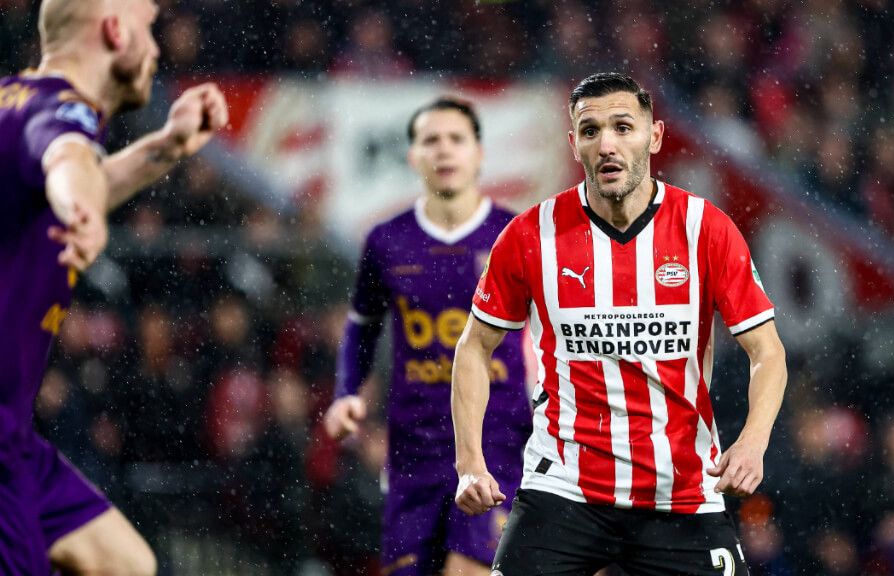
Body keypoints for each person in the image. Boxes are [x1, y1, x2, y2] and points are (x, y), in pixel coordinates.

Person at [452, 72, 788, 576]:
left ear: (653, 137)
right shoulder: (529, 236)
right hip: (564, 488)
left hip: (681, 490)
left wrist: (753, 442)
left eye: (623, 127)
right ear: (574, 144)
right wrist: (468, 463)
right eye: (590, 131)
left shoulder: (706, 230)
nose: (607, 144)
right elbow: (475, 348)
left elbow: (768, 352)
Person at [0, 0, 229, 573]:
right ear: (114, 29)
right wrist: (83, 210)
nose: (156, 49)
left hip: (14, 438)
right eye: (150, 31)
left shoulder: (13, 98)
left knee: (126, 565)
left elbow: (67, 170)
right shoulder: (63, 112)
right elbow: (67, 160)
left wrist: (166, 147)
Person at [322, 97, 532, 576]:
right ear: (413, 156)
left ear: (479, 153)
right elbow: (362, 323)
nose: (444, 150)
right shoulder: (387, 241)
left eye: (456, 139)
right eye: (430, 140)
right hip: (413, 449)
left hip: (495, 441)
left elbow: (554, 332)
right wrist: (346, 394)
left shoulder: (515, 236)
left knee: (469, 568)